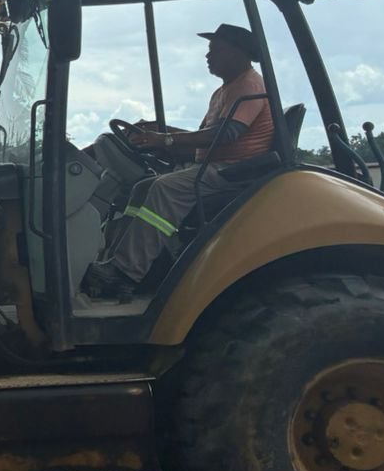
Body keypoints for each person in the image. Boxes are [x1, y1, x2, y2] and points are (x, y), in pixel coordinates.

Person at [84, 24, 275, 298]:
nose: (208, 57)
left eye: (215, 50)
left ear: (237, 52)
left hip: (234, 171)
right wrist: (158, 132)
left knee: (165, 188)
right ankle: (116, 262)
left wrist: (166, 140)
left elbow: (227, 133)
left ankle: (125, 273)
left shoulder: (249, 84)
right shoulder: (225, 90)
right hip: (213, 167)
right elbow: (202, 136)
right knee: (142, 186)